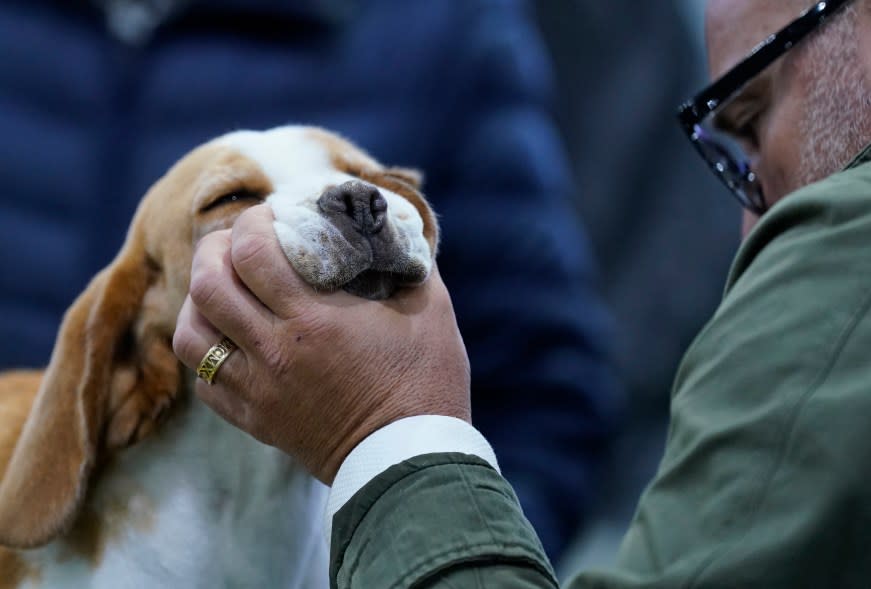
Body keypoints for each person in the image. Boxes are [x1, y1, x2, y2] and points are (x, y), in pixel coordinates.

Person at [174, 0, 871, 585]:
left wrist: (387, 435)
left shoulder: (452, 31)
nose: (753, 230)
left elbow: (553, 384)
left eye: (748, 118)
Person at [0, 0, 618, 560]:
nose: (357, 200)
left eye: (369, 185)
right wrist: (208, 361)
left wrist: (438, 563)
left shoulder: (447, 27)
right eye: (235, 195)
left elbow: (543, 386)